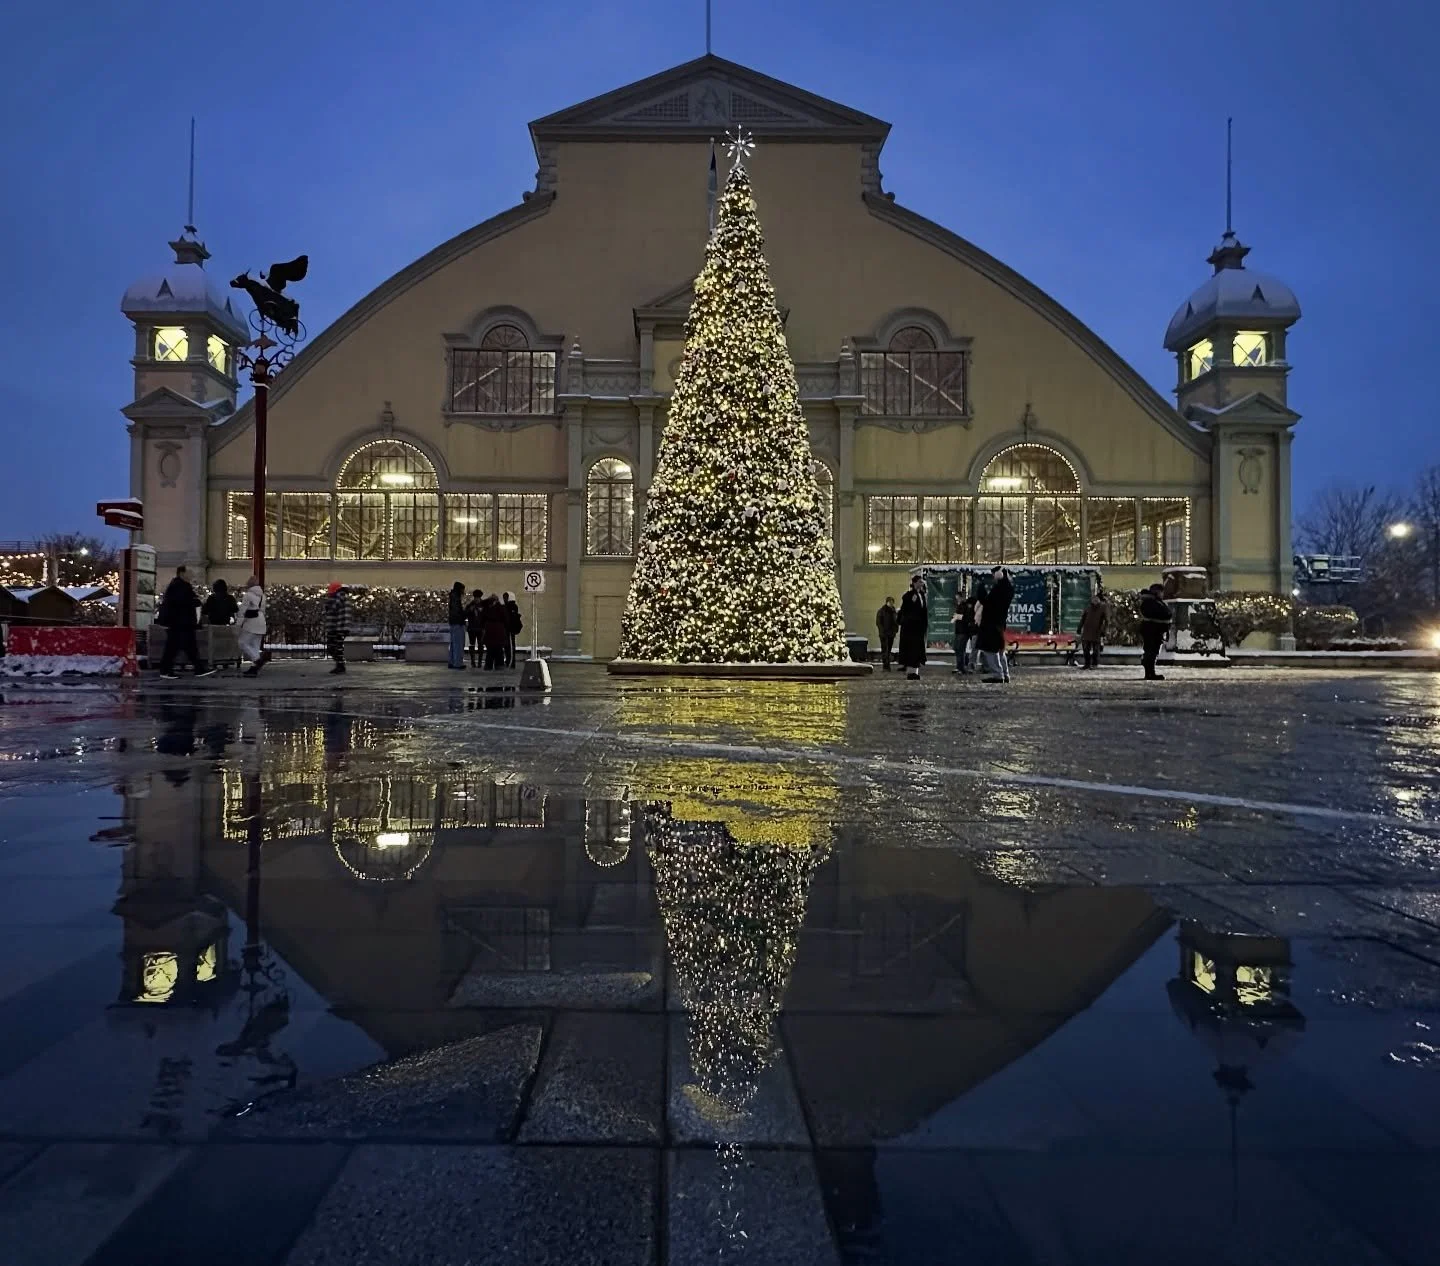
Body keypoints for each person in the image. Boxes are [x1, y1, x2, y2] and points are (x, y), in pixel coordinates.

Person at [155, 565, 213, 679]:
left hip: (181, 622)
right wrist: (195, 601)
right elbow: (182, 603)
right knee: (175, 646)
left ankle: (198, 668)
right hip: (180, 622)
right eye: (189, 573)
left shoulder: (178, 585)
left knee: (185, 646)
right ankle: (166, 670)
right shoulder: (179, 586)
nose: (191, 575)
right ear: (182, 573)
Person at [976, 567, 1013, 683]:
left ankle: (998, 674)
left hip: (991, 624)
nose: (993, 577)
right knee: (1000, 650)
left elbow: (988, 603)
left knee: (990, 650)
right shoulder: (1006, 588)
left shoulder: (999, 589)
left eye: (994, 575)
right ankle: (1005, 674)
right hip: (999, 623)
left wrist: (981, 593)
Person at [896, 574, 928, 680]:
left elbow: (923, 611)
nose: (921, 584)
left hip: (919, 628)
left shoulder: (922, 595)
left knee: (917, 650)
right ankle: (911, 672)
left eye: (921, 582)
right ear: (914, 583)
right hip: (911, 628)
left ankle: (915, 671)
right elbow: (906, 609)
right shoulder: (909, 596)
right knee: (911, 650)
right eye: (919, 582)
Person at [238, 575, 270, 677]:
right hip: (261, 621)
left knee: (242, 642)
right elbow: (263, 610)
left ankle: (257, 660)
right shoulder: (262, 596)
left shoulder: (248, 595)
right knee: (255, 646)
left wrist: (238, 624)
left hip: (251, 622)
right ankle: (254, 669)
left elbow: (243, 610)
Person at [1139, 583, 1173, 681]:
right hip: (1152, 630)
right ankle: (1149, 673)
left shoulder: (1154, 601)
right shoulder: (1151, 602)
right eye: (1161, 592)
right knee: (1151, 652)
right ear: (1157, 592)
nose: (1163, 594)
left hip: (1154, 630)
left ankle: (1150, 672)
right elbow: (1162, 613)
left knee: (1153, 652)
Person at [322, 582, 350, 675]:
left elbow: (332, 609)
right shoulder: (343, 597)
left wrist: (327, 603)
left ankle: (340, 666)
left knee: (333, 647)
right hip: (342, 627)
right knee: (337, 647)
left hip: (338, 627)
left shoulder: (339, 597)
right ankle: (340, 665)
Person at [1078, 590, 1109, 670]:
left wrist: (1104, 630)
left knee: (1096, 649)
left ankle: (1094, 663)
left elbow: (1107, 620)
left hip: (1097, 631)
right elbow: (1083, 618)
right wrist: (1079, 627)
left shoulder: (1103, 607)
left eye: (1096, 599)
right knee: (1086, 649)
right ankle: (1087, 663)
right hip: (1087, 630)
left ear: (1099, 600)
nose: (1094, 601)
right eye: (1093, 599)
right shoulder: (1088, 607)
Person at [482, 594, 510, 671]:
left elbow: (482, 619)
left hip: (489, 630)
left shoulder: (486, 608)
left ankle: (489, 665)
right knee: (498, 649)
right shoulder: (501, 608)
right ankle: (499, 664)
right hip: (499, 630)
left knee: (490, 649)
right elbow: (506, 620)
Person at [952, 593, 978, 675]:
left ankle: (961, 667)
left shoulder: (966, 605)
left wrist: (959, 617)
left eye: (959, 598)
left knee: (960, 649)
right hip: (960, 630)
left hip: (963, 630)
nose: (958, 600)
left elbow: (968, 617)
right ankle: (960, 666)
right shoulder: (961, 605)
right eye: (957, 599)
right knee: (958, 649)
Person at [447, 580, 467, 670]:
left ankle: (452, 662)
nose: (463, 592)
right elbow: (457, 612)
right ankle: (458, 663)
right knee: (458, 644)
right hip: (457, 623)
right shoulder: (456, 598)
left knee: (453, 644)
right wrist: (464, 615)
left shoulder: (452, 597)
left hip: (453, 623)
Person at [875, 597, 899, 671]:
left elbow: (896, 621)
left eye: (892, 602)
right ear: (887, 602)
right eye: (890, 602)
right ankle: (886, 665)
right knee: (885, 650)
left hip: (891, 634)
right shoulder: (882, 611)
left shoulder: (893, 611)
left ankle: (887, 665)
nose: (891, 603)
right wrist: (882, 631)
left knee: (888, 650)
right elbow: (879, 622)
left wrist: (895, 630)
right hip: (884, 634)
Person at [465, 589, 486, 669]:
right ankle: (473, 662)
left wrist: (484, 627)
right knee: (472, 644)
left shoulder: (483, 605)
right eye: (475, 597)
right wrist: (469, 611)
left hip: (480, 628)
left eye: (478, 597)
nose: (477, 599)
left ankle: (480, 662)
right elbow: (465, 614)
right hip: (472, 628)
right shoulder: (470, 605)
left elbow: (485, 616)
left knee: (481, 645)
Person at [503, 591, 524, 667]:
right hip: (507, 629)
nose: (504, 599)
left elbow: (511, 618)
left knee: (510, 646)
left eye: (506, 597)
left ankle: (511, 662)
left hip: (510, 629)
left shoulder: (512, 606)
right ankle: (509, 661)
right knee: (507, 646)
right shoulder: (507, 606)